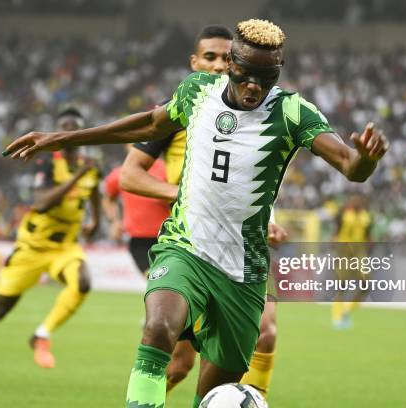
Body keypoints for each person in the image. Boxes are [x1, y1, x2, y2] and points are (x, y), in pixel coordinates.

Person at [3, 19, 389, 408]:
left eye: (265, 77)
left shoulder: (292, 111)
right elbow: (150, 123)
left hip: (243, 270)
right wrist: (59, 139)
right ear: (231, 64)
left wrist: (366, 161)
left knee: (213, 394)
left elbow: (348, 164)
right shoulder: (197, 91)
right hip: (184, 247)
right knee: (158, 329)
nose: (254, 85)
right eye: (246, 74)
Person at [120, 24, 285, 397]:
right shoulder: (183, 109)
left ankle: (247, 400)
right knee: (178, 361)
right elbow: (129, 176)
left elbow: (253, 185)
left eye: (225, 58)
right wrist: (187, 192)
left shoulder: (259, 112)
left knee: (266, 331)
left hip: (244, 251)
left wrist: (271, 221)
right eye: (208, 57)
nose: (217, 64)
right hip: (192, 245)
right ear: (194, 61)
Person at [0, 107, 101, 385]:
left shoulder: (92, 166)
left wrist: (96, 220)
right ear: (58, 134)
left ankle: (41, 336)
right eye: (64, 127)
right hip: (32, 248)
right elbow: (41, 202)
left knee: (83, 282)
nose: (69, 133)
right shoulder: (47, 163)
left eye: (75, 128)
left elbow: (94, 189)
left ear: (81, 133)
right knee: (0, 309)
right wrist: (76, 177)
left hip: (65, 248)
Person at [103, 144, 170, 274]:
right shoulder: (121, 173)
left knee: (165, 283)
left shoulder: (165, 169)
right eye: (132, 143)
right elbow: (107, 198)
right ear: (126, 146)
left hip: (166, 237)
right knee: (153, 278)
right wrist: (114, 221)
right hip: (138, 241)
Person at [331, 195, 372, 329]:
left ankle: (346, 310)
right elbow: (336, 232)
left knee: (366, 285)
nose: (356, 202)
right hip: (344, 251)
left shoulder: (366, 217)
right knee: (342, 285)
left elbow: (368, 235)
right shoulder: (344, 214)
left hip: (360, 252)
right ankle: (337, 317)